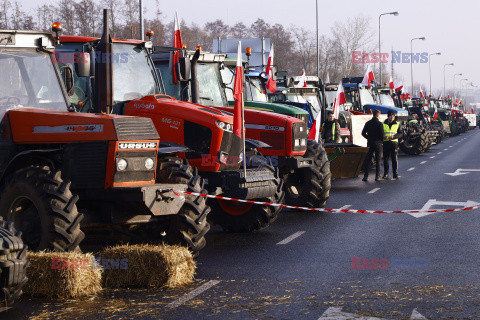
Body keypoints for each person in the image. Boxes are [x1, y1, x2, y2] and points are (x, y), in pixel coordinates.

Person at [361, 109, 384, 181]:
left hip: (370, 143)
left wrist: (368, 138)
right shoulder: (380, 124)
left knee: (368, 159)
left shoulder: (368, 123)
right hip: (378, 143)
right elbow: (382, 135)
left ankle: (365, 176)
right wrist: (381, 141)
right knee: (378, 160)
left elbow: (363, 133)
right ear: (378, 115)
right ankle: (377, 176)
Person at [383, 110, 402, 180]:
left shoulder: (397, 124)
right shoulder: (383, 124)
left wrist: (394, 137)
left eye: (393, 116)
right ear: (388, 116)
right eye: (390, 116)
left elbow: (400, 134)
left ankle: (395, 174)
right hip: (386, 142)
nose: (392, 118)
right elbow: (380, 132)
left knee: (394, 159)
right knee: (385, 159)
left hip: (394, 143)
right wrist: (383, 136)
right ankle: (386, 174)